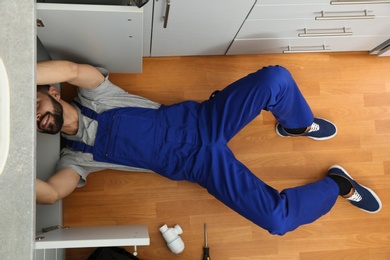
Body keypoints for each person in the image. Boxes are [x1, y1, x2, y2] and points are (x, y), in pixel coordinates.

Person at [36, 60, 382, 235]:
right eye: (31, 121)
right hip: (202, 165)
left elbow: (68, 69)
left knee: (275, 78)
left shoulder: (96, 95)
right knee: (277, 220)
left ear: (51, 91)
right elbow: (51, 193)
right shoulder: (76, 157)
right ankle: (338, 185)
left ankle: (296, 124)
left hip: (206, 119)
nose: (36, 117)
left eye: (33, 104)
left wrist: (15, 77)